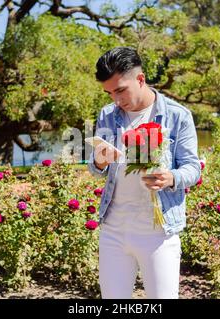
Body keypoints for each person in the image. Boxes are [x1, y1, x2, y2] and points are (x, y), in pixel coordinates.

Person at [87, 47, 201, 299]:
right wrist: (99, 162)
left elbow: (192, 168)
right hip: (114, 230)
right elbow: (96, 169)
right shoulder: (107, 115)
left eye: (120, 90)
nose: (115, 100)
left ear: (140, 79)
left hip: (158, 233)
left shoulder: (177, 115)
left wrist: (171, 178)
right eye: (109, 93)